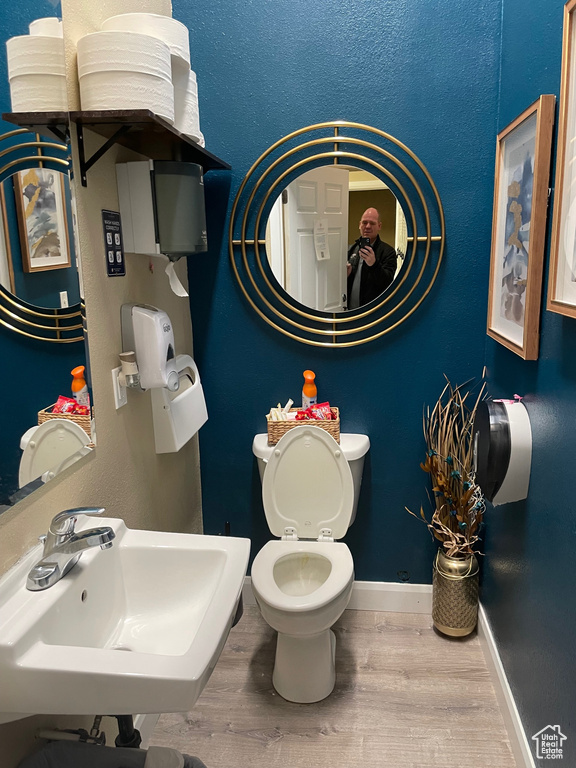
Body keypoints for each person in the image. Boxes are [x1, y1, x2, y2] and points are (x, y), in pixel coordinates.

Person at [346, 207, 397, 309]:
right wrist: (344, 276)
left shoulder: (388, 252)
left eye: (372, 223)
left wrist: (374, 265)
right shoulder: (350, 249)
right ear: (359, 225)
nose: (368, 226)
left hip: (373, 312)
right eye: (364, 223)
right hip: (348, 311)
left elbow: (388, 283)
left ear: (379, 226)